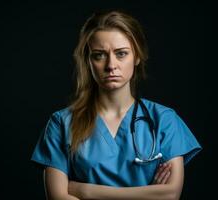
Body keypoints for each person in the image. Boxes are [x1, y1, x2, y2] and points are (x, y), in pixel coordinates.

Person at [31, 9, 202, 200]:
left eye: (121, 54)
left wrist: (85, 191)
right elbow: (58, 197)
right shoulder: (61, 123)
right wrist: (147, 195)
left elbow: (170, 195)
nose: (111, 65)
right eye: (99, 55)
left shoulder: (163, 119)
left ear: (137, 57)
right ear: (88, 61)